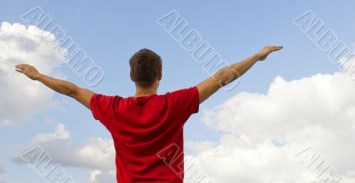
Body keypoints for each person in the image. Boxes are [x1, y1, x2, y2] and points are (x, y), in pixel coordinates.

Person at [15, 45, 282, 183]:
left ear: (132, 76)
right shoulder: (175, 104)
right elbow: (222, 78)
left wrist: (37, 76)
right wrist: (257, 56)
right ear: (160, 75)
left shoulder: (113, 108)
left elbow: (72, 90)